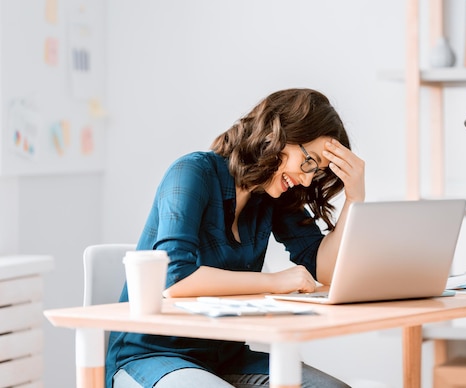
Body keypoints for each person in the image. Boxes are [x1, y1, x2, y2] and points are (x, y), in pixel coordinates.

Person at [106, 88, 366, 388]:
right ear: (278, 135)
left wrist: (354, 198)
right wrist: (275, 282)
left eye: (316, 172)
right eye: (309, 162)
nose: (307, 180)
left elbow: (324, 272)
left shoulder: (272, 195)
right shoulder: (192, 172)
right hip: (152, 354)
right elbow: (175, 279)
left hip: (223, 356)